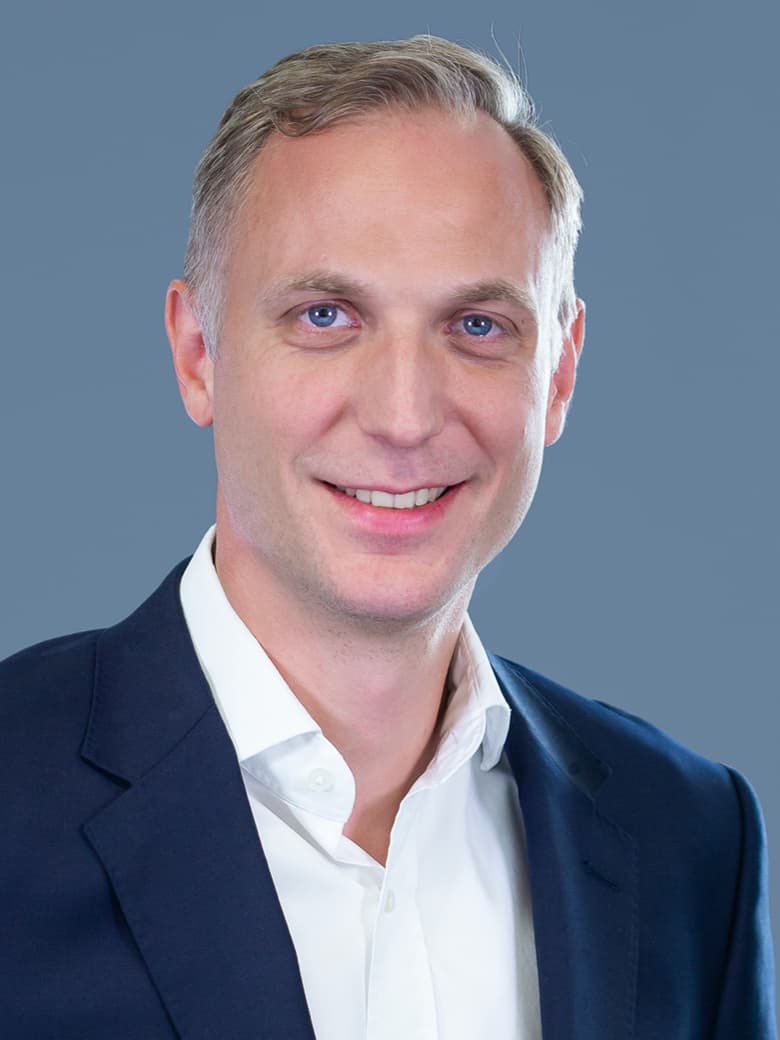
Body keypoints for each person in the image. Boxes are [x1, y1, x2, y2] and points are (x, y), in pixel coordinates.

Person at [0, 34, 775, 1040]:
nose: (405, 416)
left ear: (562, 372)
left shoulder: (692, 840)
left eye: (479, 326)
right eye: (327, 314)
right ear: (198, 353)